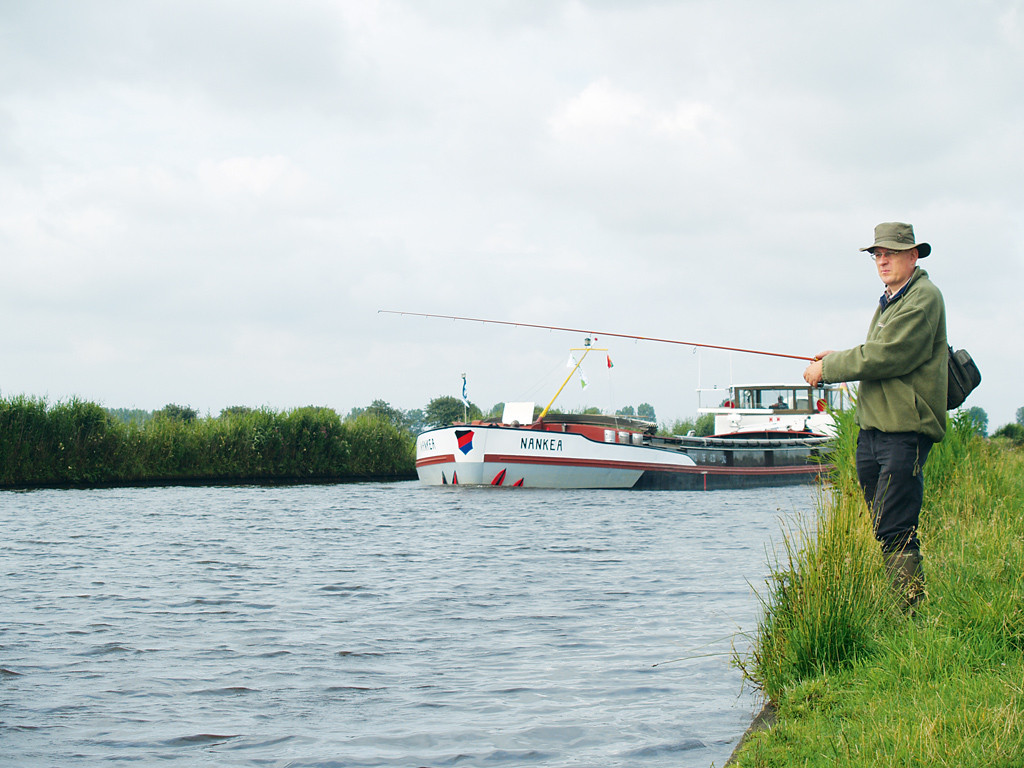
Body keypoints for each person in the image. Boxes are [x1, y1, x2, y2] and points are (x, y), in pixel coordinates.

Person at [803, 222, 947, 609]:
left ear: (913, 255)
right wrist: (837, 356)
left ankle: (907, 615)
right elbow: (875, 350)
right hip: (873, 431)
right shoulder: (890, 298)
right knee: (885, 524)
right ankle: (903, 606)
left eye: (891, 253)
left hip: (905, 430)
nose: (882, 260)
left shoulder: (924, 297)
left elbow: (890, 355)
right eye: (877, 255)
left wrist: (830, 368)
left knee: (895, 526)